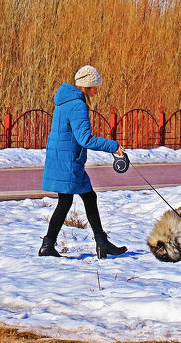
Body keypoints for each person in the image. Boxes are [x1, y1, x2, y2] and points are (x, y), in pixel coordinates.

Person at [39, 64, 128, 258]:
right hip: (69, 160)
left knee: (85, 198)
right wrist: (113, 146)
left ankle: (100, 242)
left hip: (64, 157)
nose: (97, 89)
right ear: (86, 86)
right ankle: (49, 245)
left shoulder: (64, 102)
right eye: (95, 86)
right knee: (67, 202)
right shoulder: (78, 105)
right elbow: (84, 138)